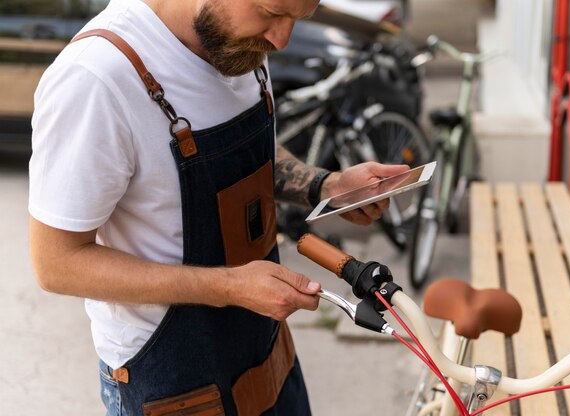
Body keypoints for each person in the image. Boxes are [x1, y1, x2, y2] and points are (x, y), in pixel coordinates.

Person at [28, 0, 408, 415]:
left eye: (299, 18)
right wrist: (229, 287)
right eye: (271, 12)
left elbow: (239, 142)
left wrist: (322, 185)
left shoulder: (236, 45)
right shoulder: (97, 78)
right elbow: (56, 263)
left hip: (268, 356)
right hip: (175, 388)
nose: (281, 39)